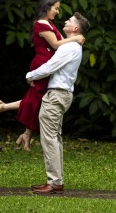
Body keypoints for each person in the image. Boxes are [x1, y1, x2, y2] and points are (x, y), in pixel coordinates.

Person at [0, 0, 85, 151]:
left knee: (38, 99)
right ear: (47, 7)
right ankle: (3, 109)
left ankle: (17, 122)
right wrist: (76, 38)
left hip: (48, 62)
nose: (57, 12)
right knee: (37, 99)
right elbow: (55, 44)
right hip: (43, 63)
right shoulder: (41, 24)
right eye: (56, 8)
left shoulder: (49, 23)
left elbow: (60, 41)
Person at [26, 12, 90, 195]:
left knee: (49, 139)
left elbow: (50, 66)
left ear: (75, 28)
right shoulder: (72, 44)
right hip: (61, 95)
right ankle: (56, 181)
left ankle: (54, 182)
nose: (65, 21)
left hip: (56, 95)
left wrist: (30, 75)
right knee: (55, 138)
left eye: (69, 21)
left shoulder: (69, 48)